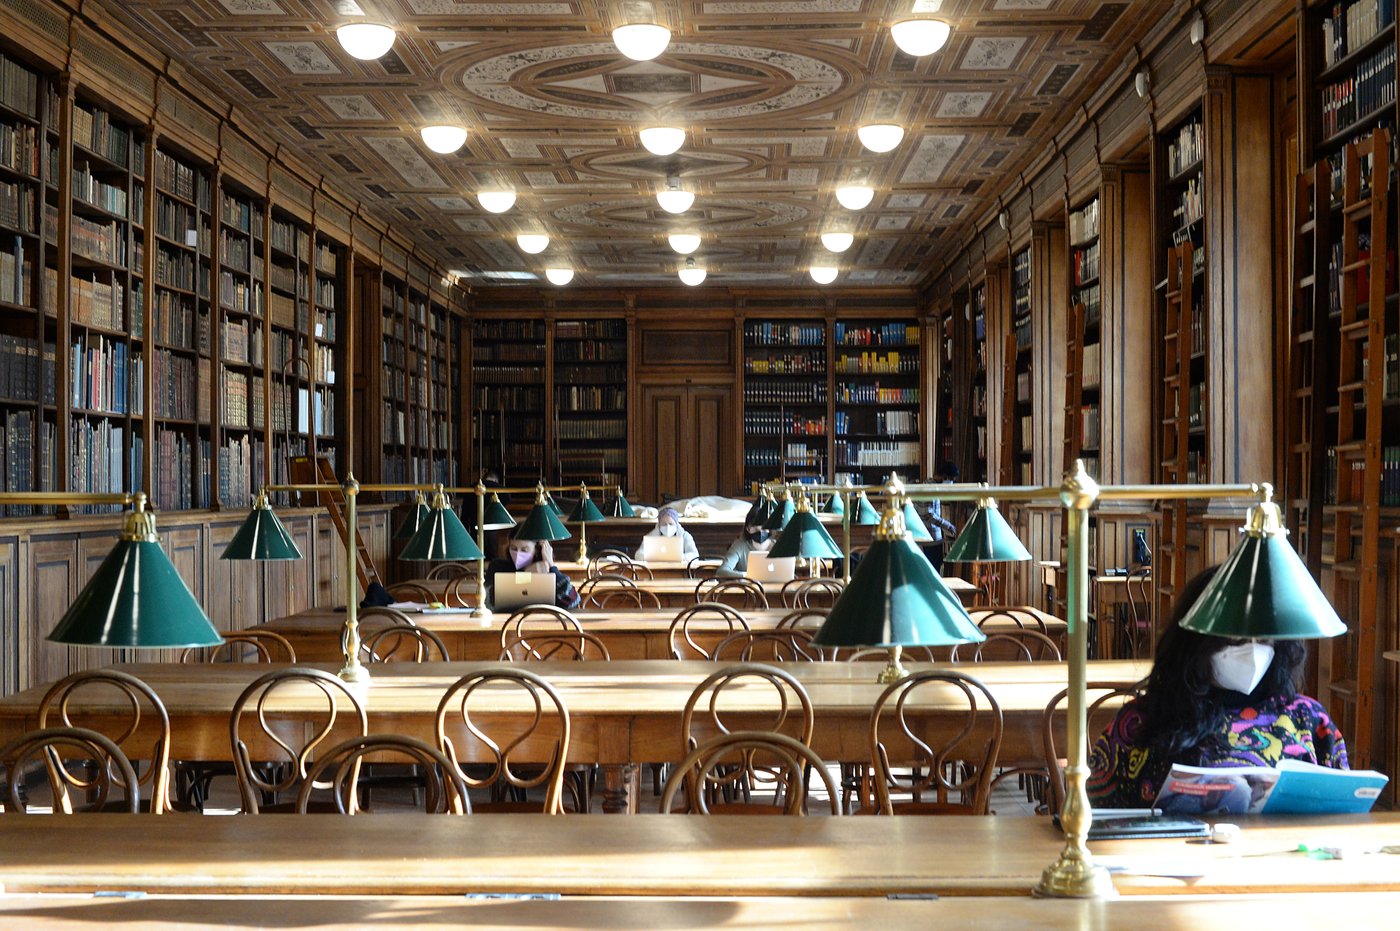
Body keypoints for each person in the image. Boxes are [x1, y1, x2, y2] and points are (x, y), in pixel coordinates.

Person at [1087, 566, 1349, 809]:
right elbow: (1097, 816)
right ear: (1196, 641)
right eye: (1236, 639)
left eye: (1264, 638)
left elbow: (1344, 808)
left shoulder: (1309, 718)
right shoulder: (1142, 721)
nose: (1253, 651)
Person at [484, 537, 580, 610]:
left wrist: (551, 566)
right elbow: (488, 601)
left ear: (537, 550)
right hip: (506, 623)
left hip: (542, 625)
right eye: (513, 548)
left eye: (524, 550)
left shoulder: (546, 570)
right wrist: (526, 575)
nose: (518, 554)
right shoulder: (497, 566)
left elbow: (572, 601)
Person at [923, 461, 959, 572]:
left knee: (936, 568)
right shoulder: (929, 488)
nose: (951, 482)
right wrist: (948, 526)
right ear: (944, 476)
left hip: (934, 538)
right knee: (933, 571)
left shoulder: (934, 487)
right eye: (951, 479)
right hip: (929, 538)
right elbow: (927, 514)